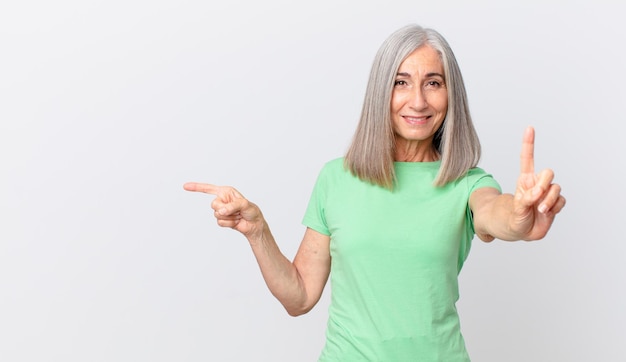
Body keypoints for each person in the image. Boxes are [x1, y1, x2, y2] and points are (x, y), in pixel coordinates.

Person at [184, 24, 566, 361]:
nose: (417, 100)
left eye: (433, 82)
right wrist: (258, 232)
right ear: (380, 91)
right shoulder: (336, 178)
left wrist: (519, 216)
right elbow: (299, 298)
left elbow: (495, 213)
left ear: (451, 95)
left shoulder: (468, 184)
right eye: (401, 82)